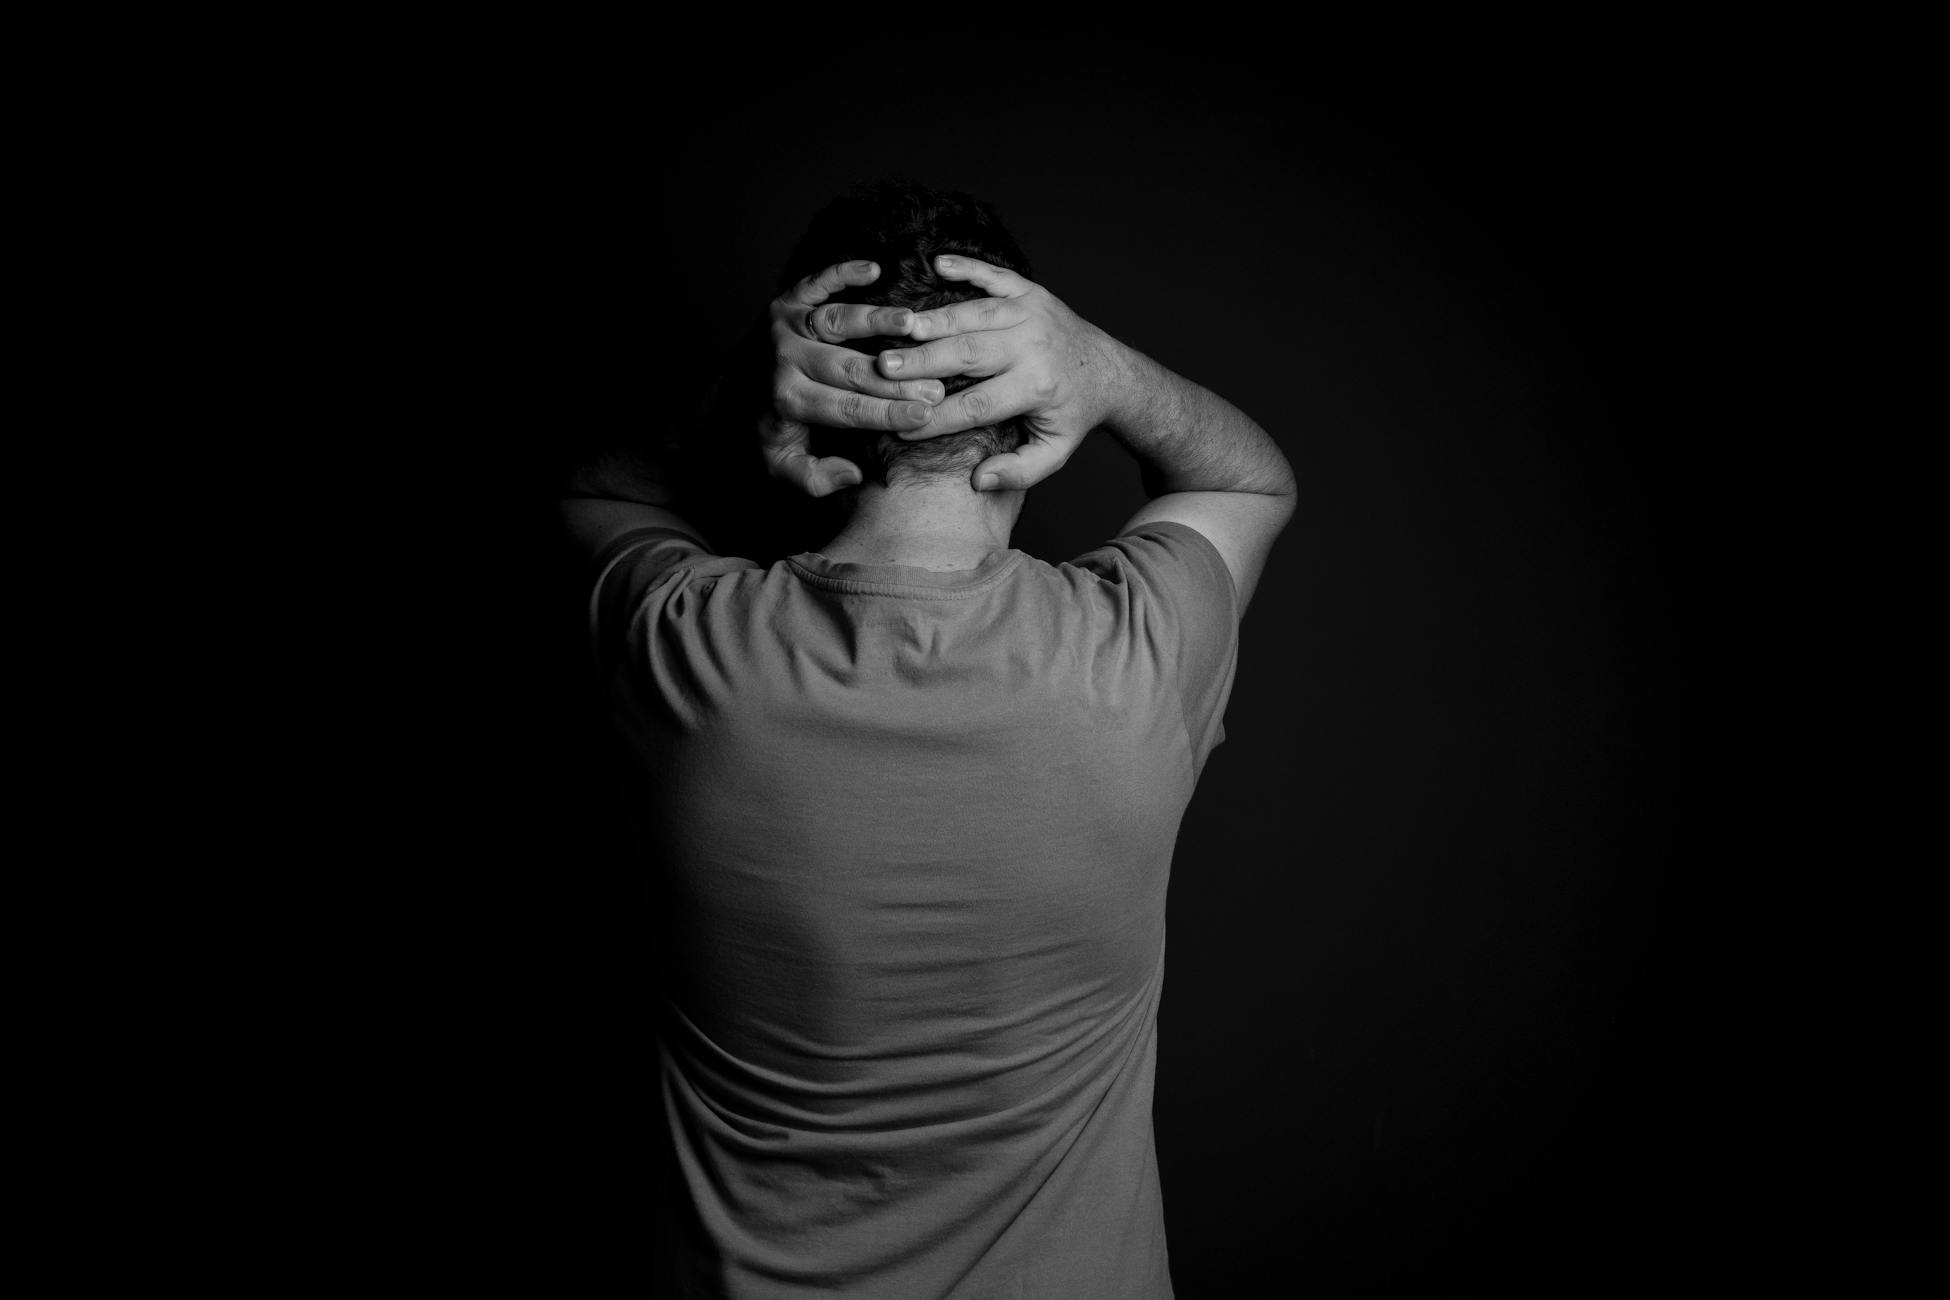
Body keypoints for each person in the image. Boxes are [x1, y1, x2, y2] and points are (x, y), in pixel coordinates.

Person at [563, 182, 1295, 1298]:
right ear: (1025, 402)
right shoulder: (1137, 650)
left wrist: (734, 390)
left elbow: (595, 488)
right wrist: (1106, 369)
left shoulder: (685, 648)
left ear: (799, 403)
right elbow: (1248, 475)